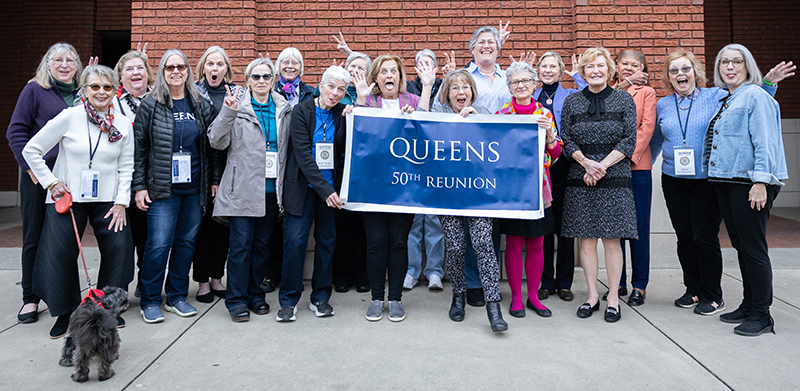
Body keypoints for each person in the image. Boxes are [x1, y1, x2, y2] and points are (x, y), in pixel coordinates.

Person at [650, 49, 792, 315]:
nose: (681, 74)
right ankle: (693, 289)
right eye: (674, 70)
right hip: (673, 180)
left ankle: (712, 295)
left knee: (703, 236)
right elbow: (657, 140)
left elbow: (753, 104)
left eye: (686, 69)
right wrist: (643, 167)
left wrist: (769, 83)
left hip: (707, 179)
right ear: (668, 77)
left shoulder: (717, 95)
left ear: (696, 72)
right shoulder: (663, 104)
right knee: (684, 237)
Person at [22, 65, 134, 338]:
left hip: (108, 198)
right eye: (94, 86)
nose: (101, 92)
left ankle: (106, 309)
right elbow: (31, 149)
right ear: (83, 90)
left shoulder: (121, 123)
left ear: (115, 90)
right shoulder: (68, 117)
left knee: (119, 248)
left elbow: (127, 165)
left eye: (107, 87)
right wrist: (51, 182)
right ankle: (65, 313)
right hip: (68, 197)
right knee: (59, 253)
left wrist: (121, 202)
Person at [705, 44, 788, 336]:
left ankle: (763, 315)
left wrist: (760, 182)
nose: (729, 67)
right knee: (741, 246)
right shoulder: (730, 98)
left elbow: (765, 141)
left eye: (736, 62)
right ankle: (749, 303)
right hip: (729, 181)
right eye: (724, 62)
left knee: (753, 248)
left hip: (749, 183)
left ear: (747, 65)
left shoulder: (754, 96)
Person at [133, 49, 220, 324]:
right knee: (158, 245)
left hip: (195, 189)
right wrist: (139, 186)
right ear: (162, 71)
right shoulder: (151, 104)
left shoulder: (200, 104)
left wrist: (214, 181)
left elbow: (213, 148)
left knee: (186, 244)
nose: (175, 72)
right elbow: (139, 149)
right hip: (161, 190)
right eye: (170, 67)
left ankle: (177, 296)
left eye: (180, 67)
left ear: (188, 71)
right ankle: (149, 300)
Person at [420, 69, 507, 331]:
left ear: (472, 92)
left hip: (479, 194)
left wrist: (479, 120)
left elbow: (505, 139)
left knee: (483, 244)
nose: (461, 92)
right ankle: (458, 296)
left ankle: (494, 307)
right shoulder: (437, 118)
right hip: (448, 195)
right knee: (456, 246)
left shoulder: (485, 116)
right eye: (455, 88)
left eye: (466, 87)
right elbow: (416, 127)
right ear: (446, 94)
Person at [208, 57, 292, 322]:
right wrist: (227, 112)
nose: (261, 82)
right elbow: (216, 141)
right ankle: (236, 300)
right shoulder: (237, 107)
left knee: (261, 247)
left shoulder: (284, 109)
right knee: (241, 247)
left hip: (271, 191)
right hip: (242, 190)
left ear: (273, 80)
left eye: (266, 77)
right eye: (255, 77)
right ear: (247, 81)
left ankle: (256, 295)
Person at [7, 42, 84, 325]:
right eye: (58, 60)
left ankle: (60, 295)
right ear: (47, 64)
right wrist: (29, 167)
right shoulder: (35, 90)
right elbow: (16, 131)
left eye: (70, 60)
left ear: (78, 66)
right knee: (34, 237)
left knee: (62, 240)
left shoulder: (83, 94)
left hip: (69, 179)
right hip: (39, 178)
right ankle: (30, 297)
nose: (64, 65)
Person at [560, 47, 637, 323]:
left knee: (612, 240)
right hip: (580, 178)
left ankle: (613, 298)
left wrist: (601, 166)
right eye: (590, 66)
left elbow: (629, 140)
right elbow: (566, 140)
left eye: (600, 66)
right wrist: (586, 164)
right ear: (583, 71)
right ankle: (592, 295)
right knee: (587, 240)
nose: (595, 71)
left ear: (610, 70)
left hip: (614, 179)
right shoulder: (572, 102)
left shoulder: (624, 100)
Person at [353, 54, 427, 322]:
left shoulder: (413, 101)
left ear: (400, 76)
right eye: (383, 71)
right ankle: (375, 298)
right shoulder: (366, 101)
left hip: (404, 188)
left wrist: (416, 116)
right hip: (372, 187)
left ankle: (395, 299)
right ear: (376, 77)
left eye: (393, 71)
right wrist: (359, 102)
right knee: (376, 242)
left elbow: (429, 136)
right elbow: (357, 139)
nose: (388, 76)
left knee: (398, 243)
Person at [276, 65, 351, 322]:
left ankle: (320, 297)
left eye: (341, 90)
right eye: (331, 86)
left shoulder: (343, 113)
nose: (335, 93)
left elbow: (347, 146)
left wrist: (354, 117)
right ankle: (288, 300)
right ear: (320, 85)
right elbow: (303, 154)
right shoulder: (301, 111)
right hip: (304, 189)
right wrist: (325, 190)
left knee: (327, 244)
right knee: (295, 243)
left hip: (332, 192)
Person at [497, 61, 561, 318]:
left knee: (537, 243)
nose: (521, 85)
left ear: (535, 85)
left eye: (526, 81)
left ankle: (534, 296)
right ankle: (515, 299)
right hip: (512, 190)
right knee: (513, 244)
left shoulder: (544, 115)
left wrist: (550, 137)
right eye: (515, 82)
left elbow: (555, 155)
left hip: (539, 188)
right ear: (510, 87)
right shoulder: (502, 116)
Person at [192, 46, 242, 303]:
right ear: (203, 68)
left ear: (227, 69)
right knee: (204, 228)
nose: (214, 69)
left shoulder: (238, 93)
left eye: (219, 64)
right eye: (210, 64)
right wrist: (212, 179)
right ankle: (202, 281)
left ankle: (216, 278)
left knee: (223, 228)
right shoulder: (193, 94)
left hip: (230, 170)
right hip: (201, 170)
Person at [535, 51, 580, 303]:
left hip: (564, 165)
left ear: (561, 70)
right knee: (545, 225)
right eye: (544, 66)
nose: (548, 70)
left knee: (565, 226)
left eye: (554, 66)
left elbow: (591, 95)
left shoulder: (571, 96)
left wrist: (578, 76)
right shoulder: (531, 96)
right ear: (538, 71)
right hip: (540, 167)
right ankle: (546, 281)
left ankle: (564, 282)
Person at [113, 48, 154, 299]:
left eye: (140, 68)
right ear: (120, 77)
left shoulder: (159, 100)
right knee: (123, 242)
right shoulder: (113, 104)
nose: (135, 73)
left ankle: (146, 284)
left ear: (148, 73)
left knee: (149, 240)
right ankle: (120, 290)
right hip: (122, 182)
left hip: (153, 179)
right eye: (129, 69)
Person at [330, 51, 372, 293]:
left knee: (363, 225)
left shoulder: (373, 97)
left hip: (365, 170)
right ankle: (343, 275)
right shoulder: (337, 96)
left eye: (361, 68)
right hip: (340, 166)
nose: (357, 71)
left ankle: (363, 275)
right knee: (342, 225)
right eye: (352, 67)